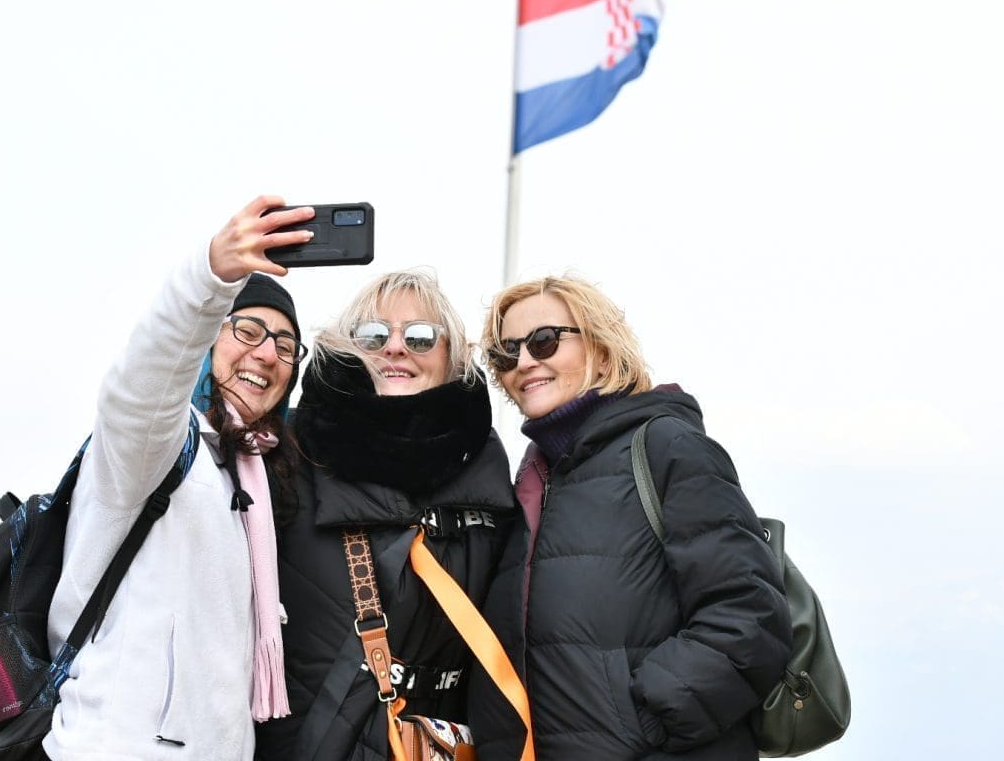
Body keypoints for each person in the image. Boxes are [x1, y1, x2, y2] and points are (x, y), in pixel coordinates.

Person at [467, 275, 794, 761]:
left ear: (602, 351)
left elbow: (749, 617)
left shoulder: (668, 447)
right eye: (506, 352)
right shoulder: (529, 483)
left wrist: (649, 722)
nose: (525, 361)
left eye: (544, 340)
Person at [42, 195, 316, 760]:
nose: (267, 354)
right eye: (247, 330)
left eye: (285, 345)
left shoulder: (251, 478)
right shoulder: (157, 446)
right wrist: (209, 277)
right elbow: (141, 383)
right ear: (208, 340)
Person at [253, 269, 517, 761]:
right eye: (373, 335)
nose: (395, 348)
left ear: (452, 356)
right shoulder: (283, 456)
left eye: (420, 336)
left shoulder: (493, 479)